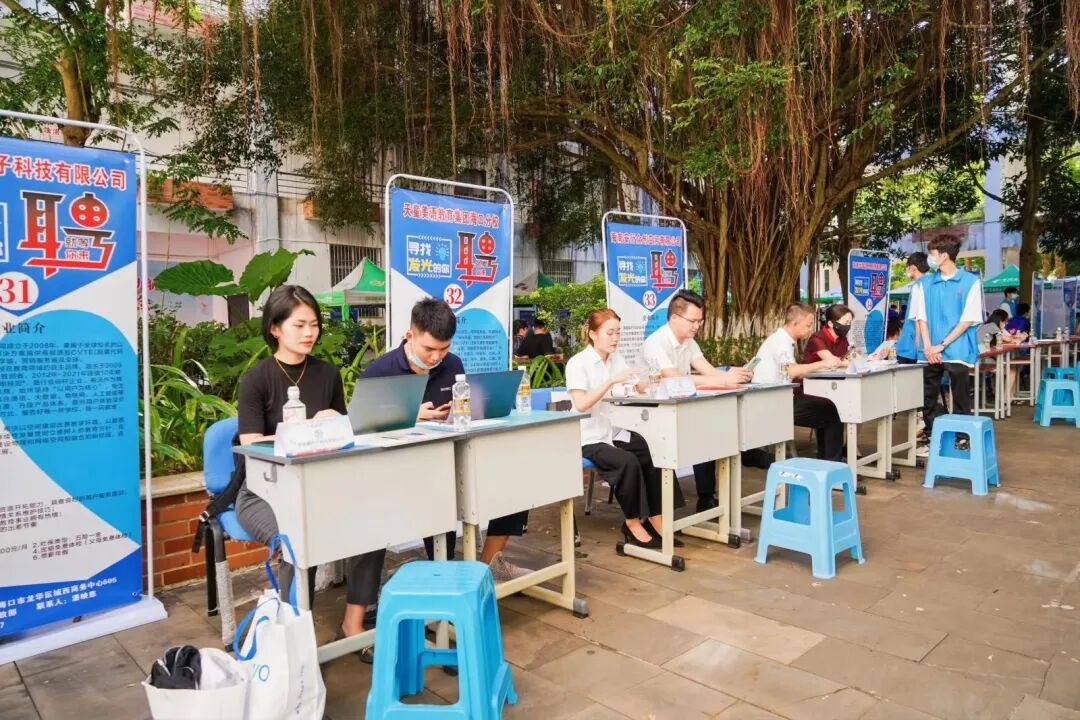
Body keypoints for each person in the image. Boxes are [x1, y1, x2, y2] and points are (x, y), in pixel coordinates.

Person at [352, 299, 532, 632]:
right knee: (437, 504)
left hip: (448, 460)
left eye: (443, 349)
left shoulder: (453, 365)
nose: (436, 357)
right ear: (409, 335)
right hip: (396, 471)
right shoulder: (380, 372)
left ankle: (484, 567)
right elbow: (362, 430)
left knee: (514, 482)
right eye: (429, 349)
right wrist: (410, 415)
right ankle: (441, 585)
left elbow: (466, 410)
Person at [234, 286, 363, 636]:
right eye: (299, 325)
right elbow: (250, 443)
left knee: (370, 523)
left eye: (314, 324)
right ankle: (291, 631)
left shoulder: (327, 374)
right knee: (295, 537)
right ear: (275, 328)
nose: (310, 333)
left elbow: (343, 433)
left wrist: (336, 424)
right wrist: (305, 429)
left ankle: (352, 622)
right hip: (263, 489)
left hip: (317, 482)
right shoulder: (257, 379)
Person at [641, 289, 753, 512]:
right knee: (703, 432)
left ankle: (707, 497)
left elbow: (708, 371)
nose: (697, 326)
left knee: (712, 431)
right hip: (653, 413)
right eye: (692, 321)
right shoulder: (655, 343)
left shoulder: (689, 342)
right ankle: (702, 497)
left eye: (700, 321)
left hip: (681, 406)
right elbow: (674, 378)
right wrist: (723, 379)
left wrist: (732, 375)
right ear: (674, 317)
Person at [565, 309, 666, 548]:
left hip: (611, 431)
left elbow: (634, 386)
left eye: (618, 333)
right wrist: (610, 381)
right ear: (593, 334)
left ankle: (655, 516)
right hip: (586, 436)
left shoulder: (616, 359)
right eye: (609, 333)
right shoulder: (578, 363)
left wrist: (654, 382)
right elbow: (581, 404)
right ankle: (632, 523)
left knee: (650, 449)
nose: (615, 338)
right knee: (627, 461)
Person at [909, 234, 983, 457]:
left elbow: (968, 319)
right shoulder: (924, 284)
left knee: (960, 395)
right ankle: (933, 436)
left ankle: (962, 438)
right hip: (929, 349)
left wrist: (941, 345)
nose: (930, 258)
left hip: (957, 348)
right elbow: (921, 317)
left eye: (932, 254)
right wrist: (928, 347)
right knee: (928, 396)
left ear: (944, 256)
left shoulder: (970, 282)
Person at [751, 303, 845, 461]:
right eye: (808, 325)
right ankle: (832, 462)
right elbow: (792, 371)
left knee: (826, 407)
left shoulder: (782, 340)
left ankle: (827, 459)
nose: (810, 329)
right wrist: (822, 363)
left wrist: (818, 367)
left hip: (775, 398)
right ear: (794, 323)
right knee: (829, 410)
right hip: (773, 402)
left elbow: (794, 372)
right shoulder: (781, 341)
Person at [896, 252, 930, 364]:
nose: (906, 270)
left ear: (913, 268)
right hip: (928, 346)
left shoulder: (917, 286)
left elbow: (917, 319)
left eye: (907, 267)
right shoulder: (933, 284)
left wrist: (918, 349)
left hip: (910, 349)